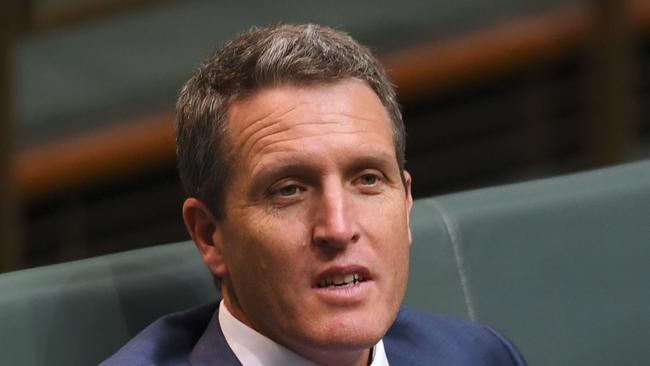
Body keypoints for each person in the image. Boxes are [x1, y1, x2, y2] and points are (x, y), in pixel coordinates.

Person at [102, 23, 526, 366]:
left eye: (367, 180)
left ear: (406, 202)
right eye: (288, 191)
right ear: (210, 235)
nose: (338, 229)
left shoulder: (477, 356)